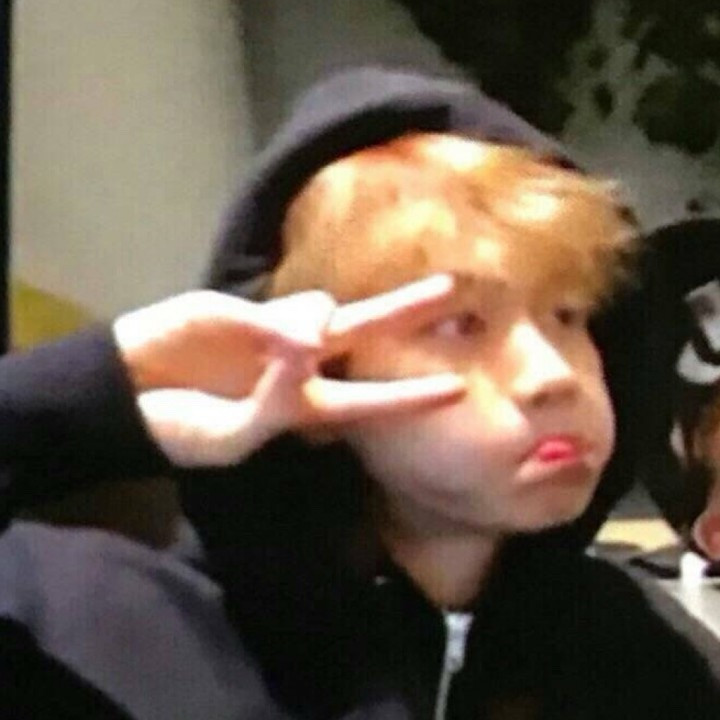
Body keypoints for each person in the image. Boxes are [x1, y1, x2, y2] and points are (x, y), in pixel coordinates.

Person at [1, 67, 719, 720]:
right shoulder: (86, 622)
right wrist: (97, 392)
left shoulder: (642, 658)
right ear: (322, 371)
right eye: (460, 324)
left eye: (567, 315)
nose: (553, 373)